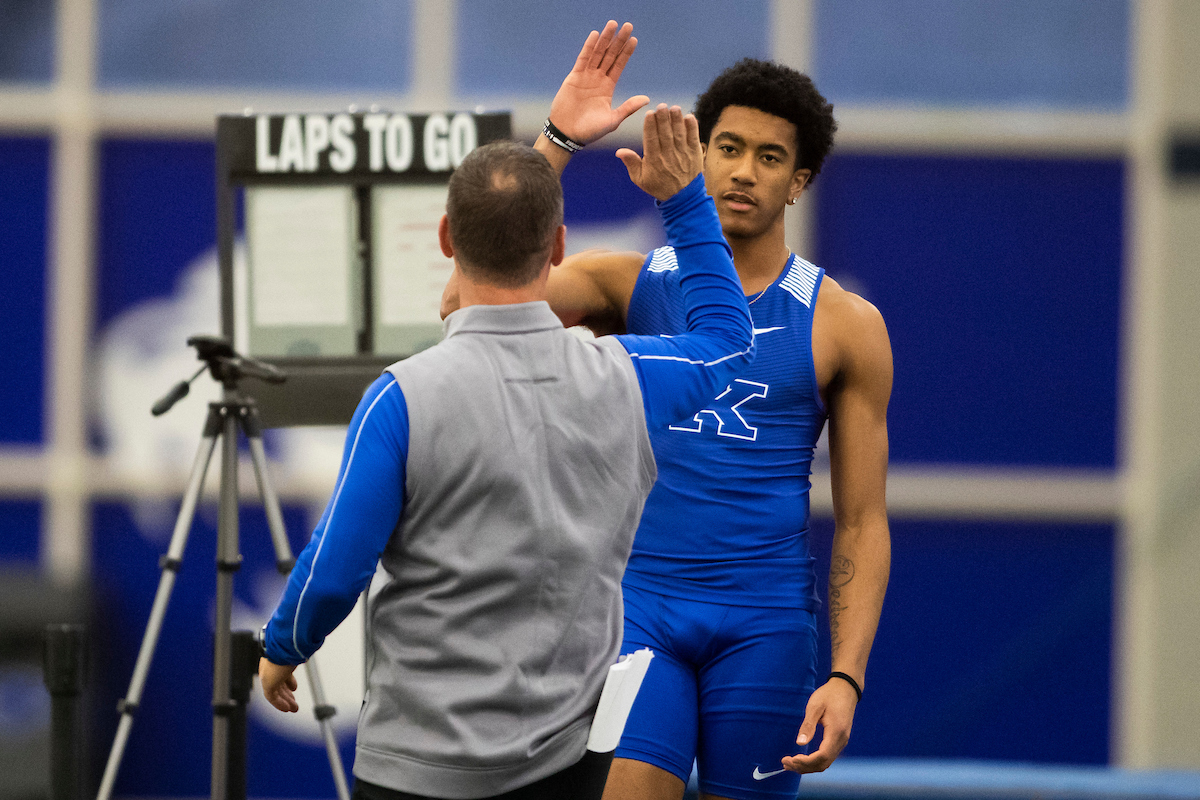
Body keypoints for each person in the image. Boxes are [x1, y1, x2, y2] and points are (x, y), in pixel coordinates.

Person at [257, 98, 757, 800]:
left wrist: (284, 647)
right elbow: (730, 344)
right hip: (566, 768)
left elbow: (335, 572)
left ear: (443, 239)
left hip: (415, 769)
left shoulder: (401, 398)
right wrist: (685, 202)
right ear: (557, 248)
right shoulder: (627, 379)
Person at [503, 21, 893, 800]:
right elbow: (474, 302)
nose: (745, 172)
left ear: (800, 181)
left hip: (766, 627)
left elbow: (862, 519)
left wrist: (846, 675)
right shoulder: (625, 285)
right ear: (697, 155)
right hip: (638, 612)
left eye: (770, 157)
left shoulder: (845, 324)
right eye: (728, 148)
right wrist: (555, 142)